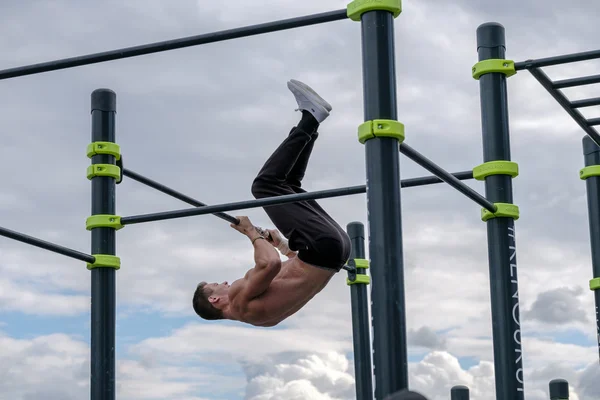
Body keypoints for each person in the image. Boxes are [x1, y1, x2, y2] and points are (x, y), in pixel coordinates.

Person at [192, 79, 351, 327]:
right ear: (214, 299)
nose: (223, 283)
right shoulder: (238, 301)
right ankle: (310, 118)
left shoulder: (262, 319)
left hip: (333, 252)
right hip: (322, 248)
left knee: (288, 188)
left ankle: (310, 124)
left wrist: (284, 247)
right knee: (264, 186)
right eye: (216, 285)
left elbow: (295, 276)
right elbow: (269, 264)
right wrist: (251, 233)